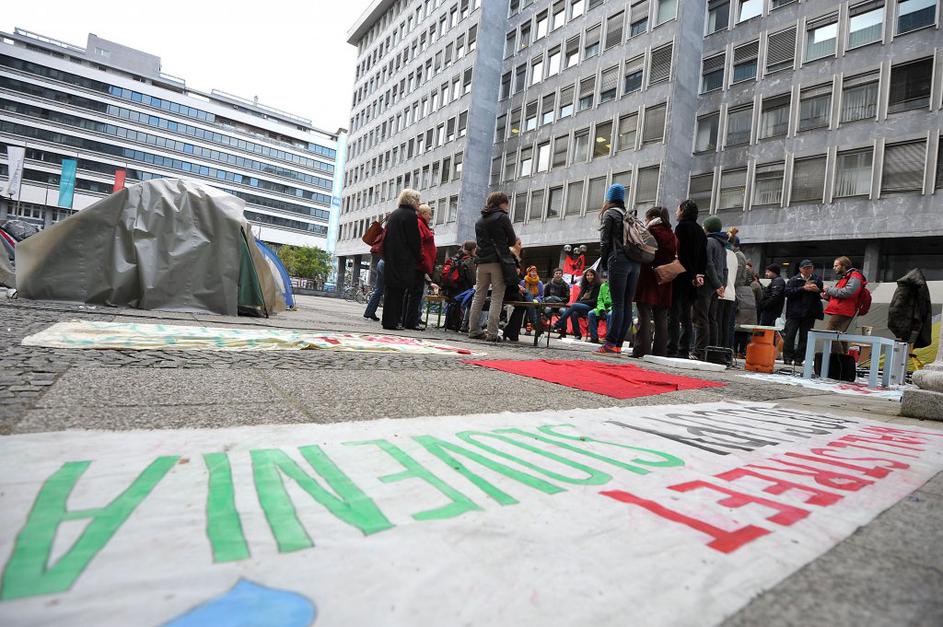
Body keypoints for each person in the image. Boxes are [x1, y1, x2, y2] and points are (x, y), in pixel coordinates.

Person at [597, 184, 642, 354]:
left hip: (618, 260)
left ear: (609, 197)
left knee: (617, 303)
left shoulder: (610, 214)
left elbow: (605, 242)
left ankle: (609, 343)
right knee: (626, 304)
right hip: (635, 262)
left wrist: (603, 262)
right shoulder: (628, 215)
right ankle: (617, 344)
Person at [468, 192, 516, 341]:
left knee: (479, 296)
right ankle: (492, 333)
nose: (507, 206)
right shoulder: (502, 217)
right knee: (497, 296)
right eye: (506, 203)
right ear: (501, 203)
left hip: (482, 262)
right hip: (497, 261)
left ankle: (473, 330)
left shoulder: (480, 220)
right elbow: (512, 240)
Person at [633, 206, 677, 358]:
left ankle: (641, 349)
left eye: (646, 218)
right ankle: (660, 351)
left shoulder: (651, 231)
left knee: (644, 314)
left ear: (651, 218)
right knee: (661, 318)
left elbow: (643, 252)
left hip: (649, 276)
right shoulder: (671, 233)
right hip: (666, 278)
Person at [667, 200, 708, 359]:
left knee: (674, 313)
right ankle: (684, 349)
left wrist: (690, 274)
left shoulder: (681, 228)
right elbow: (703, 256)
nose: (676, 212)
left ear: (683, 210)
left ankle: (672, 347)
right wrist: (699, 275)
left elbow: (681, 253)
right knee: (686, 316)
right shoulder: (700, 230)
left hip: (681, 275)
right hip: (693, 278)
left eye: (677, 209)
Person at [381, 189, 422, 331]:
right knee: (399, 291)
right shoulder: (410, 216)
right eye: (418, 200)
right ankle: (393, 322)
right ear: (412, 201)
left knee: (391, 291)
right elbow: (414, 240)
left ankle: (388, 320)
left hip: (391, 257)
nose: (419, 203)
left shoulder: (395, 214)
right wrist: (419, 257)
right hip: (403, 259)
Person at [783, 259, 824, 366]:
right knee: (789, 335)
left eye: (810, 267)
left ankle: (799, 359)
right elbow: (788, 293)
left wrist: (818, 291)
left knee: (805, 338)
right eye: (805, 268)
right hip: (794, 313)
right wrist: (803, 288)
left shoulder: (817, 280)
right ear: (800, 269)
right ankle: (787, 357)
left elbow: (822, 293)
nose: (808, 270)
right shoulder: (793, 280)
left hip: (809, 313)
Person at [822, 256, 867, 354]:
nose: (834, 268)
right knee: (840, 336)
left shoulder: (854, 276)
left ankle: (837, 360)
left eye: (836, 266)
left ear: (844, 266)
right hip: (844, 310)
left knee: (831, 334)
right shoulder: (848, 277)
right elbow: (842, 294)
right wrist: (826, 296)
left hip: (844, 311)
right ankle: (843, 361)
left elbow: (848, 292)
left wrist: (828, 289)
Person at [407, 203, 437, 331]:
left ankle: (410, 320)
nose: (430, 217)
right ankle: (411, 322)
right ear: (423, 214)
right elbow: (419, 243)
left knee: (415, 294)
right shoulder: (420, 224)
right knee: (415, 294)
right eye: (429, 214)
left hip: (420, 264)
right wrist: (423, 259)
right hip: (419, 265)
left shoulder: (422, 225)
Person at [703, 216, 729, 355]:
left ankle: (701, 349)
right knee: (713, 318)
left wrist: (716, 283)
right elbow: (725, 268)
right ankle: (713, 349)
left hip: (708, 284)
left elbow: (709, 264)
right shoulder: (722, 245)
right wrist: (722, 285)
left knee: (702, 317)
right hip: (717, 286)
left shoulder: (709, 241)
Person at [730, 235, 757, 357]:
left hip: (735, 290)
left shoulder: (738, 255)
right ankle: (737, 351)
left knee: (737, 328)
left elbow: (737, 274)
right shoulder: (738, 255)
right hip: (736, 290)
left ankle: (736, 351)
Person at [441, 241, 477, 331]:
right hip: (462, 288)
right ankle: (458, 325)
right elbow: (473, 279)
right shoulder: (469, 260)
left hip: (451, 287)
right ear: (472, 249)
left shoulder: (455, 257)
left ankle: (449, 323)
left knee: (452, 304)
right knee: (462, 305)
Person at [554, 268, 600, 339]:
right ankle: (577, 335)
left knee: (574, 305)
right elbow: (578, 299)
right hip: (582, 307)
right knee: (574, 313)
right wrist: (579, 303)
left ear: (594, 276)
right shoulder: (584, 286)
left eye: (591, 275)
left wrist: (580, 303)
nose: (589, 277)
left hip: (592, 307)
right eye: (587, 275)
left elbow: (594, 301)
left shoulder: (598, 286)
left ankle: (559, 323)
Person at [505, 264, 544, 342]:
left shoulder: (539, 283)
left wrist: (536, 299)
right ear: (528, 273)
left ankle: (512, 333)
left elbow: (541, 295)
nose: (534, 273)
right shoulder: (522, 281)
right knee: (527, 297)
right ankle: (534, 322)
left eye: (535, 272)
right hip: (523, 300)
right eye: (532, 272)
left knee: (527, 303)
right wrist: (521, 290)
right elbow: (518, 291)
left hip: (534, 302)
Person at [587, 277, 612, 344]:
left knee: (610, 315)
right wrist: (601, 309)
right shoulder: (603, 286)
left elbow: (618, 301)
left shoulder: (618, 286)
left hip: (613, 308)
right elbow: (599, 299)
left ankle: (609, 339)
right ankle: (594, 338)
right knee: (591, 313)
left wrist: (609, 309)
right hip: (603, 308)